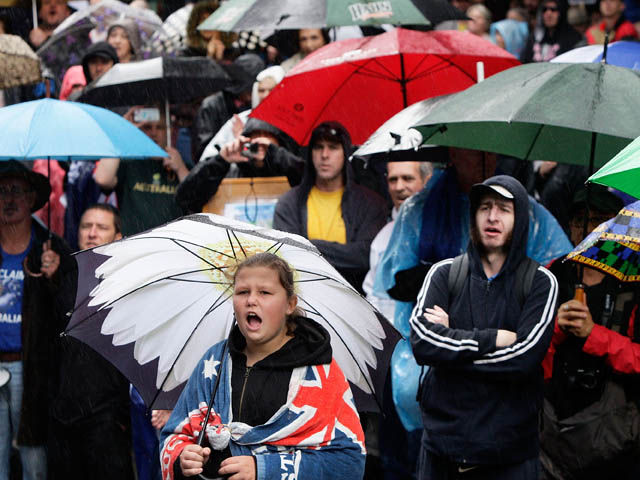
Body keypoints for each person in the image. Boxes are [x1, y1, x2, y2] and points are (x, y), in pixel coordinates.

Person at [160, 252, 366, 480]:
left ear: (290, 304)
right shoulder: (214, 362)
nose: (251, 300)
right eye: (242, 292)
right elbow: (175, 435)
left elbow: (349, 462)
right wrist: (183, 458)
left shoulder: (320, 373)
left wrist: (265, 468)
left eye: (265, 292)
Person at [410, 175, 558, 479]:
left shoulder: (540, 283)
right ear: (473, 216)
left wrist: (449, 348)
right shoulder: (444, 274)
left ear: (520, 220)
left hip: (508, 456)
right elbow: (422, 343)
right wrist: (494, 339)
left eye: (504, 208)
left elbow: (523, 359)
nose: (492, 216)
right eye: (485, 207)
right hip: (441, 450)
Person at [540, 187, 640, 479]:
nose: (590, 229)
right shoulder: (552, 274)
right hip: (549, 432)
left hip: (613, 438)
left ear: (617, 228)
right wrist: (556, 329)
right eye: (580, 220)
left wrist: (592, 335)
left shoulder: (633, 283)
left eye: (600, 220)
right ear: (570, 227)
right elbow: (529, 351)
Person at [48, 204, 134, 480]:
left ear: (118, 237)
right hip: (63, 418)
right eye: (86, 226)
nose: (92, 233)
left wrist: (121, 417)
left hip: (108, 420)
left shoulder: (131, 286)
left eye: (101, 227)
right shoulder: (63, 279)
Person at [0, 160, 73, 480]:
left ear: (31, 198)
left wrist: (55, 276)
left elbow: (68, 311)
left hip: (32, 370)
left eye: (16, 191)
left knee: (33, 456)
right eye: (1, 192)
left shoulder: (50, 247)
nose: (9, 199)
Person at [273, 121, 387, 292]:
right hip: (304, 299)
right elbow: (288, 255)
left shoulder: (370, 203)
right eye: (318, 147)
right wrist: (342, 254)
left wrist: (310, 246)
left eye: (333, 147)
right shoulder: (290, 202)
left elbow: (366, 256)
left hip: (354, 297)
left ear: (345, 153)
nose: (324, 155)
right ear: (310, 153)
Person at [93, 105, 189, 236]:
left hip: (174, 245)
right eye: (147, 127)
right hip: (134, 244)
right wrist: (121, 129)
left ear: (170, 130)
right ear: (138, 130)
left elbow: (197, 200)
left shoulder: (181, 163)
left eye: (160, 127)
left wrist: (181, 169)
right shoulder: (129, 162)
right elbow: (102, 179)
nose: (154, 133)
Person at [176, 118, 304, 213]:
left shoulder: (290, 172)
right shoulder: (229, 174)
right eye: (255, 137)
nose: (260, 143)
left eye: (267, 137)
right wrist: (221, 160)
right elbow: (185, 198)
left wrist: (275, 154)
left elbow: (309, 179)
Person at [363, 160, 432, 321]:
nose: (399, 187)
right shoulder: (383, 238)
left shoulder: (441, 231)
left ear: (427, 181)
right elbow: (373, 294)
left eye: (407, 178)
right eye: (393, 180)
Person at [194, 53, 265, 158]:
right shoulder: (212, 106)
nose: (263, 95)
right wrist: (236, 141)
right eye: (260, 90)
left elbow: (259, 155)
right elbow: (205, 154)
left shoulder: (256, 108)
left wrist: (241, 139)